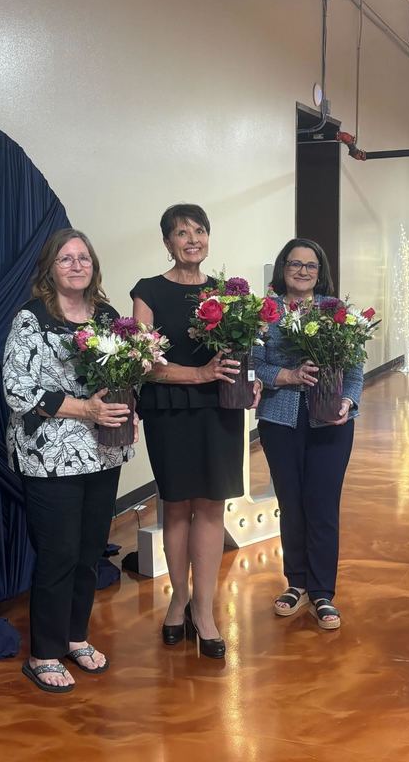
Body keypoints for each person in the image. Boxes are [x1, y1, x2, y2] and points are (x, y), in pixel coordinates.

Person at [3, 228, 136, 693]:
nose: (77, 265)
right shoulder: (31, 319)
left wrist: (124, 404)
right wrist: (86, 409)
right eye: (66, 259)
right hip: (50, 457)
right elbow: (17, 389)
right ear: (50, 269)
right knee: (58, 554)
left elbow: (127, 369)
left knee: (87, 551)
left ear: (93, 266)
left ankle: (75, 636)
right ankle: (43, 653)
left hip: (103, 450)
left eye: (84, 258)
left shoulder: (107, 316)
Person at [131, 204, 260, 659]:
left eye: (199, 231)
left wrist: (254, 379)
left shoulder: (226, 294)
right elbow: (145, 364)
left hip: (219, 408)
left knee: (210, 507)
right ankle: (177, 599)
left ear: (209, 238)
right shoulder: (147, 291)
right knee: (177, 506)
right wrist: (201, 374)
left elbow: (242, 353)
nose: (192, 239)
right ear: (167, 242)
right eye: (181, 233)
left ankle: (204, 610)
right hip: (171, 407)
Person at [253, 239, 363, 630]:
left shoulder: (336, 313)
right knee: (292, 501)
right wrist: (287, 376)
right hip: (280, 420)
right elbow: (254, 363)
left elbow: (354, 368)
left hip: (330, 422)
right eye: (295, 264)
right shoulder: (264, 314)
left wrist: (348, 403)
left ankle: (322, 592)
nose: (302, 271)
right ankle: (295, 583)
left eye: (310, 266)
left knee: (322, 504)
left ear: (321, 272)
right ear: (282, 268)